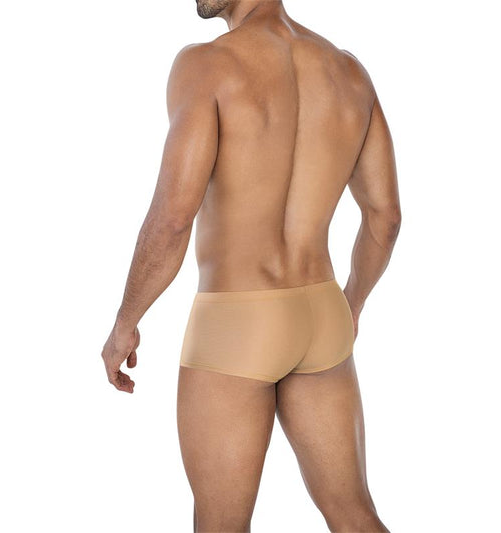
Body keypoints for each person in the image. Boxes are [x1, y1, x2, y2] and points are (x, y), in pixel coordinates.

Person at [101, 0, 401, 531]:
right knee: (355, 514)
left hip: (237, 322)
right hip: (322, 315)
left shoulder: (207, 65)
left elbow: (174, 215)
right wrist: (351, 304)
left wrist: (126, 320)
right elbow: (385, 217)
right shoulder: (349, 72)